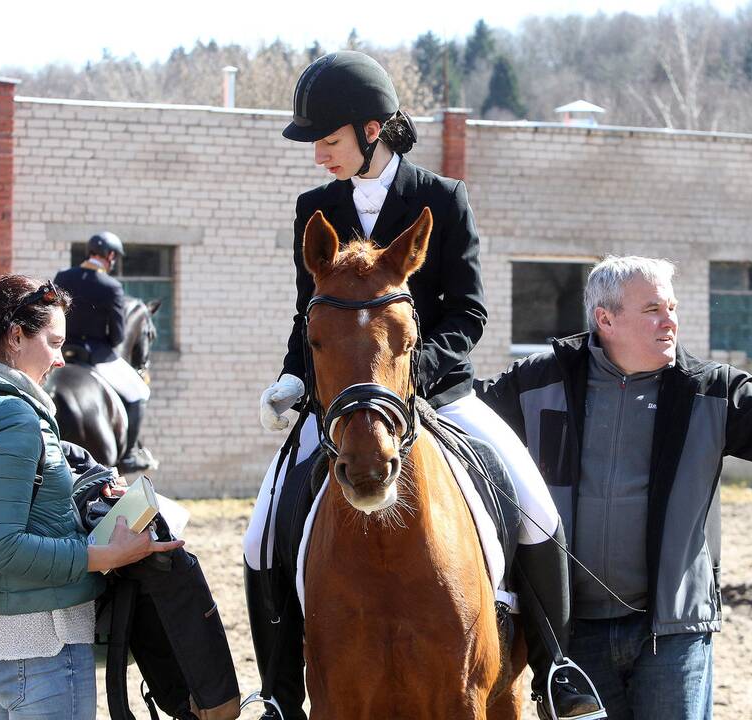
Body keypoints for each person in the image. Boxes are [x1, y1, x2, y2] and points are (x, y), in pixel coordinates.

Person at [243, 50, 603, 720]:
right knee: (260, 529)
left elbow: (468, 310)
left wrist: (414, 375)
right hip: (342, 403)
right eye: (316, 144)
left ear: (372, 130)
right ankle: (280, 695)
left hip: (439, 393)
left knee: (535, 507)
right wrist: (295, 377)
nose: (319, 154)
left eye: (329, 140)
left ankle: (558, 669)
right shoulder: (314, 209)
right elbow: (311, 314)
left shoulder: (443, 198)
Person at [476, 255, 752, 720]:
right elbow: (461, 422)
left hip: (673, 633)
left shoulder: (711, 390)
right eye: (653, 308)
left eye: (672, 307)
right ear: (605, 319)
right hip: (570, 634)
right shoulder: (534, 383)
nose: (670, 320)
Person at [0, 274, 183, 720]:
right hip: (40, 645)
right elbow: (2, 545)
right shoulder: (14, 420)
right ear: (14, 337)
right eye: (53, 342)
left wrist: (86, 480)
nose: (61, 359)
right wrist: (103, 555)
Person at [54, 231, 154, 473]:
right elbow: (118, 335)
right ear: (109, 256)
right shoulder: (111, 287)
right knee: (140, 391)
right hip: (96, 356)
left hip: (62, 350)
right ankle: (129, 454)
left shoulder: (63, 277)